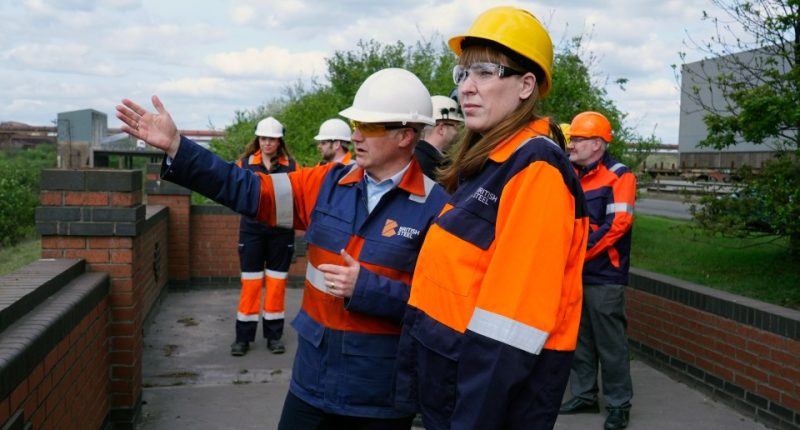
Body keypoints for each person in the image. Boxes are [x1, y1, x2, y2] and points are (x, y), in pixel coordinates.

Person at [116, 67, 450, 430]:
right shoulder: (325, 184)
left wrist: (367, 289)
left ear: (405, 135)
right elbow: (245, 188)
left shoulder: (439, 209)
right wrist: (178, 147)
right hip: (312, 382)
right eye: (354, 124)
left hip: (378, 398)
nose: (354, 135)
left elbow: (441, 309)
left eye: (367, 127)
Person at [393, 6, 589, 430]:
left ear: (525, 85)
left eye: (484, 71)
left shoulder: (535, 169)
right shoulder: (487, 163)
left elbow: (512, 325)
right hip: (452, 385)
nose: (467, 87)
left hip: (479, 403)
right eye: (461, 74)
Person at [558, 111, 636, 430]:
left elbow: (618, 225)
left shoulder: (620, 177)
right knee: (581, 339)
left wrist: (580, 252)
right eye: (572, 138)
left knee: (611, 343)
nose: (571, 144)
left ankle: (619, 405)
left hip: (605, 275)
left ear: (597, 144)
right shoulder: (573, 174)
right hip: (578, 273)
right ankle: (585, 395)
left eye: (577, 139)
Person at [231, 116, 298, 356]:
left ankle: (274, 336)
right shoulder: (245, 164)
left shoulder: (292, 166)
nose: (267, 143)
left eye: (272, 139)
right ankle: (243, 338)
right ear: (258, 139)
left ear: (279, 141)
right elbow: (232, 191)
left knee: (277, 285)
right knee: (250, 284)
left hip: (281, 232)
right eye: (263, 138)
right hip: (252, 232)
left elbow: (299, 197)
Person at [414, 95, 463, 179]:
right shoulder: (433, 166)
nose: (457, 132)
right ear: (441, 129)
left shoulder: (412, 156)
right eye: (456, 126)